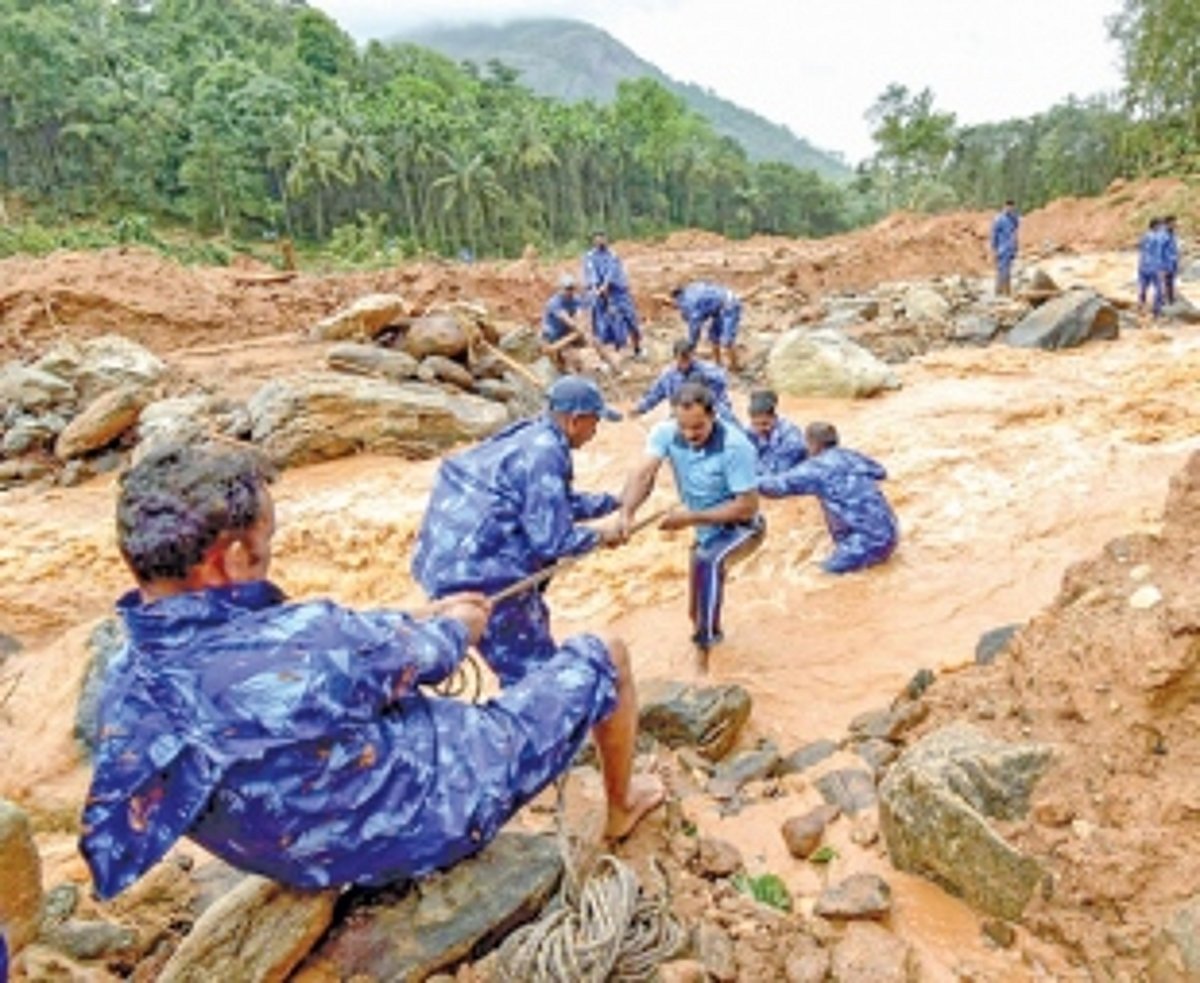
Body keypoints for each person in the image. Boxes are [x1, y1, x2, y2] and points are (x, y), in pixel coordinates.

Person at [79, 443, 663, 901]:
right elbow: (438, 651)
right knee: (604, 652)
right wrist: (459, 620)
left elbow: (304, 657)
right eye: (266, 540)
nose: (270, 550)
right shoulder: (319, 639)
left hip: (290, 856)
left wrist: (412, 622)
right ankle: (620, 807)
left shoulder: (125, 680)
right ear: (229, 559)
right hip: (416, 823)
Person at [412, 375, 626, 687]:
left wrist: (613, 502)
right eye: (595, 423)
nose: (595, 432)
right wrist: (603, 536)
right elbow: (553, 540)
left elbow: (548, 504)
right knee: (533, 676)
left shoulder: (528, 435)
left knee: (523, 654)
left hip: (439, 562)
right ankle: (533, 731)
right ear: (575, 420)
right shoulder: (547, 453)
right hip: (482, 575)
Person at [619, 382, 763, 668]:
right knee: (695, 611)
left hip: (742, 528)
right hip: (705, 529)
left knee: (708, 563)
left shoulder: (735, 445)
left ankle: (703, 663)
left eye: (697, 427)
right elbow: (643, 473)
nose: (689, 435)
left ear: (713, 416)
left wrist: (689, 518)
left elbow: (748, 505)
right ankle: (714, 639)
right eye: (683, 427)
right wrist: (627, 513)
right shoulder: (665, 432)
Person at [759, 421, 898, 574]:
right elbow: (880, 472)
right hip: (891, 532)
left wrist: (744, 480)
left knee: (819, 576)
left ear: (813, 444)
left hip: (864, 542)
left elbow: (774, 488)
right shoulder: (851, 456)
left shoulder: (816, 468)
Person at [631, 338, 735, 422]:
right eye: (681, 359)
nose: (685, 363)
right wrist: (641, 408)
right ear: (675, 358)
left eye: (688, 358)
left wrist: (723, 416)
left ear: (693, 355)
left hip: (705, 416)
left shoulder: (708, 372)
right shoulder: (668, 376)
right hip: (679, 417)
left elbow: (720, 398)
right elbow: (655, 394)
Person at [583, 230, 643, 357]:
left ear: (607, 240)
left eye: (602, 238)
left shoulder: (613, 255)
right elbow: (591, 273)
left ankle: (637, 349)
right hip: (598, 295)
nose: (600, 241)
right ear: (593, 241)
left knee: (631, 320)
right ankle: (606, 357)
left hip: (619, 293)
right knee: (600, 327)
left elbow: (611, 273)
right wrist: (595, 288)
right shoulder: (589, 256)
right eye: (597, 239)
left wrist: (605, 286)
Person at [670, 281, 743, 370]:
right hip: (719, 307)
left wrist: (691, 345)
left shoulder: (687, 303)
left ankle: (735, 367)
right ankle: (717, 365)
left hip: (730, 304)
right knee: (713, 337)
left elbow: (695, 325)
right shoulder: (691, 289)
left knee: (727, 341)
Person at [746, 389, 807, 476]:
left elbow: (780, 472)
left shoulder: (791, 437)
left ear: (774, 418)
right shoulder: (750, 432)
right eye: (755, 424)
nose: (759, 429)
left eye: (765, 424)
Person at [540, 274, 589, 373]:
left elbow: (579, 314)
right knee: (558, 362)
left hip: (565, 330)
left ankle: (576, 370)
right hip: (552, 333)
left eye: (571, 288)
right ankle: (561, 369)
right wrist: (579, 328)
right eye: (567, 289)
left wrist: (580, 326)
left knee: (574, 355)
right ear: (560, 289)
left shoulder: (576, 299)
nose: (569, 291)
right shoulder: (554, 302)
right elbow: (565, 318)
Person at [990, 200, 1020, 296]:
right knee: (1002, 270)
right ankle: (999, 291)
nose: (1010, 209)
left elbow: (1015, 231)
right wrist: (994, 249)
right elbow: (993, 235)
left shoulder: (1013, 218)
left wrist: (1015, 247)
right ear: (1004, 206)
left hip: (1010, 248)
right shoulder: (999, 219)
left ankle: (1006, 291)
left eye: (1012, 207)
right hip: (1002, 249)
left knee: (1008, 270)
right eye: (1008, 207)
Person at [1137, 217, 1165, 318]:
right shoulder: (1158, 238)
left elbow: (1142, 250)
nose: (1163, 227)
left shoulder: (1145, 236)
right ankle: (1156, 312)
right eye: (1161, 225)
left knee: (1143, 288)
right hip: (1154, 267)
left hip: (1143, 266)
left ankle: (1141, 306)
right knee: (1159, 290)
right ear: (1156, 226)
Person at [1162, 214, 1180, 306]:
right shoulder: (1163, 234)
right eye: (1174, 222)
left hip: (1172, 262)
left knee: (1171, 282)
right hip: (1165, 263)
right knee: (1165, 282)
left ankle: (1171, 301)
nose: (1176, 223)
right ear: (1168, 223)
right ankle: (1164, 302)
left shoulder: (1172, 233)